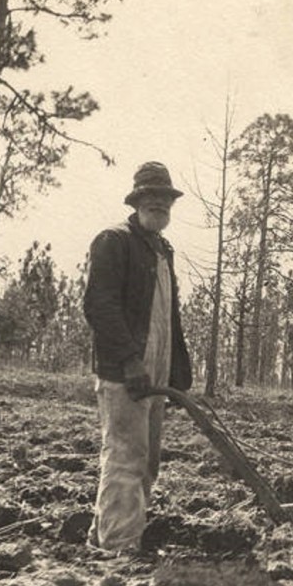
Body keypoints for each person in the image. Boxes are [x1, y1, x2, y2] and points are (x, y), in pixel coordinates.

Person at [83, 161, 193, 552]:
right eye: (152, 197)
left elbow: (167, 318)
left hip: (154, 377)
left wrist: (178, 376)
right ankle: (118, 552)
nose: (159, 204)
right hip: (125, 374)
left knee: (147, 463)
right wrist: (131, 361)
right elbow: (100, 306)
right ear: (137, 200)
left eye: (165, 198)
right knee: (126, 459)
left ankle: (107, 537)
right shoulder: (115, 241)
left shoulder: (162, 250)